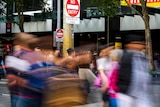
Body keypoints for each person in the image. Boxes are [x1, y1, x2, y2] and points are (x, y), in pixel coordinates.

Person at [117, 34, 154, 107]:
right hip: (126, 94)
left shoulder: (142, 56)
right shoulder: (123, 56)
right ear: (130, 44)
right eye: (139, 43)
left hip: (141, 94)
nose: (143, 46)